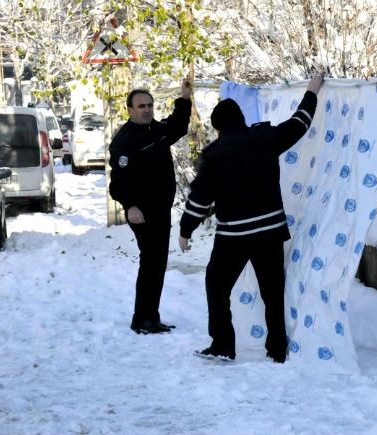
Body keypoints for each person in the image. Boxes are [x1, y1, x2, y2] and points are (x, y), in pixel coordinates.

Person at [178, 74, 324, 362]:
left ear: (217, 128)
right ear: (242, 118)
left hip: (233, 238)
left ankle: (222, 345)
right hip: (270, 232)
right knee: (272, 293)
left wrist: (186, 230)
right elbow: (299, 123)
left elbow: (199, 198)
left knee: (217, 288)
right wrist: (311, 91)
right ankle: (278, 349)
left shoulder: (215, 155)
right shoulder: (265, 138)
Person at [109, 79, 193, 335]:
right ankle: (142, 318)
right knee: (151, 262)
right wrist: (130, 206)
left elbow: (177, 125)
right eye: (141, 106)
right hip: (141, 212)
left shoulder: (155, 130)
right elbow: (119, 182)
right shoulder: (124, 140)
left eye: (149, 105)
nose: (146, 109)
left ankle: (150, 316)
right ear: (130, 110)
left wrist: (185, 98)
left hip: (160, 209)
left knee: (157, 262)